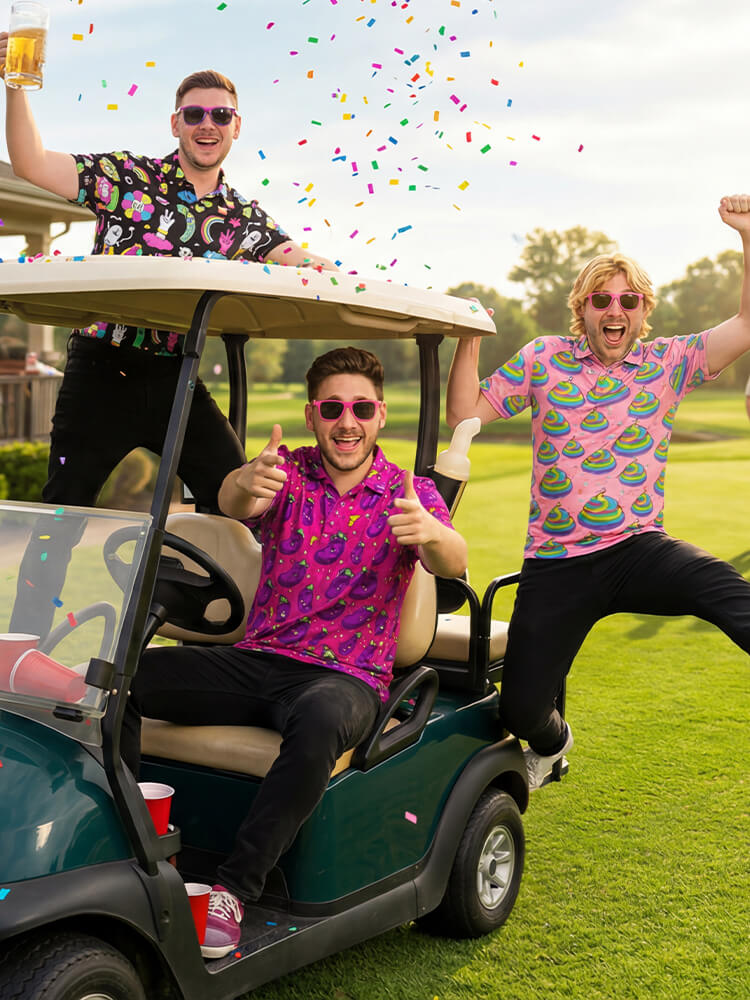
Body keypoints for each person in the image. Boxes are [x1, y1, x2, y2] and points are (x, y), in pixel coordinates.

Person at [121, 346, 467, 959]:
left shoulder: (407, 493)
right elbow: (238, 501)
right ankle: (126, 838)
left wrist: (434, 536)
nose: (347, 421)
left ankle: (234, 887)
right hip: (261, 658)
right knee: (120, 680)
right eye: (333, 408)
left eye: (360, 407)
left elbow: (452, 560)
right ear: (313, 415)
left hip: (345, 676)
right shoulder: (288, 472)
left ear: (380, 414)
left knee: (321, 721)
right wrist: (239, 482)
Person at [0, 60, 336, 634]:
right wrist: (14, 81)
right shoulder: (126, 177)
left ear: (236, 126)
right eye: (195, 114)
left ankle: (244, 640)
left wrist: (339, 275)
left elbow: (302, 264)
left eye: (220, 115)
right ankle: (22, 656)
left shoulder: (243, 221)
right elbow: (30, 162)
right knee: (63, 512)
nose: (208, 125)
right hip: (102, 371)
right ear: (175, 123)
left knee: (242, 498)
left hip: (177, 377)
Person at [446, 194, 750, 791]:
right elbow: (463, 413)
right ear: (581, 310)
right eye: (601, 299)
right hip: (556, 565)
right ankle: (555, 745)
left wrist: (746, 237)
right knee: (521, 711)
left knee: (729, 594)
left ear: (644, 312)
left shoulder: (669, 361)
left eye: (628, 300)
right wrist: (469, 336)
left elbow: (745, 325)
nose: (615, 310)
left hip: (639, 548)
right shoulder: (544, 359)